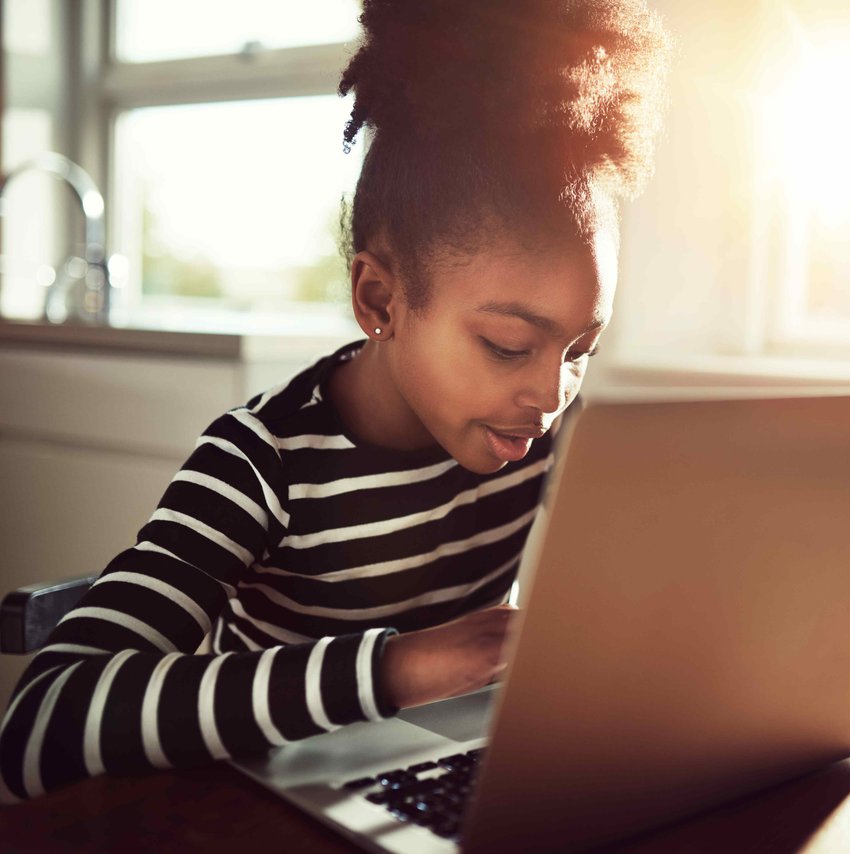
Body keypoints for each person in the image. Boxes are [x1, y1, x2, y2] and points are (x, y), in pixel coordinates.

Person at [0, 0, 670, 803]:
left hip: (443, 782)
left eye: (581, 351)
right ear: (380, 300)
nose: (550, 394)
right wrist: (398, 667)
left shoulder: (542, 435)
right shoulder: (261, 463)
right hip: (260, 811)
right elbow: (39, 727)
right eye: (507, 346)